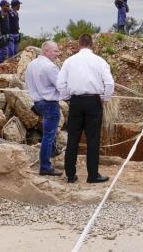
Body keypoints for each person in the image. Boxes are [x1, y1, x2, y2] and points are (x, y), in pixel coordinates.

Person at [57, 34, 114, 183]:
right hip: (93, 102)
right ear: (92, 44)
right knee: (93, 140)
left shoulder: (69, 61)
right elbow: (109, 84)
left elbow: (60, 83)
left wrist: (68, 98)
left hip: (75, 102)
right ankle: (92, 175)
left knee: (73, 139)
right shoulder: (99, 61)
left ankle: (70, 175)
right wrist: (104, 99)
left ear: (79, 44)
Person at [25, 41, 63, 176]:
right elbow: (61, 86)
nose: (58, 54)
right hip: (49, 103)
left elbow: (26, 85)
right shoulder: (50, 67)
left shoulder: (31, 65)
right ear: (46, 51)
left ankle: (52, 152)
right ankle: (45, 166)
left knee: (48, 133)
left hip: (37, 103)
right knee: (48, 135)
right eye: (55, 51)